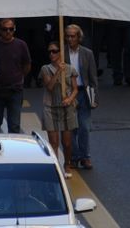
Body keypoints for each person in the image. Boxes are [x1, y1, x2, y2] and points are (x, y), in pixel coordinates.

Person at [0, 18, 32, 133]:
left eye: (11, 29)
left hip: (15, 90)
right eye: (5, 29)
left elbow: (27, 64)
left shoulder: (21, 44)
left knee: (14, 125)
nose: (8, 32)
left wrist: (19, 77)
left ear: (14, 29)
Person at [41, 42, 78, 178]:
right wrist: (58, 72)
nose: (52, 54)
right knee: (54, 142)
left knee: (67, 143)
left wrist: (70, 99)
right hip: (50, 108)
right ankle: (55, 167)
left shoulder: (70, 69)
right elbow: (49, 86)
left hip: (67, 108)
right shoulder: (45, 68)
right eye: (49, 52)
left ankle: (67, 164)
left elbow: (75, 89)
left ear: (61, 52)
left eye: (55, 51)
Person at [64, 24, 98, 170]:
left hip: (83, 92)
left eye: (73, 36)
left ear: (79, 37)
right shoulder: (62, 52)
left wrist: (95, 98)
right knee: (70, 127)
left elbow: (93, 77)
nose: (70, 39)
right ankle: (74, 157)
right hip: (68, 92)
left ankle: (85, 157)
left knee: (84, 126)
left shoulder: (87, 53)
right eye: (68, 36)